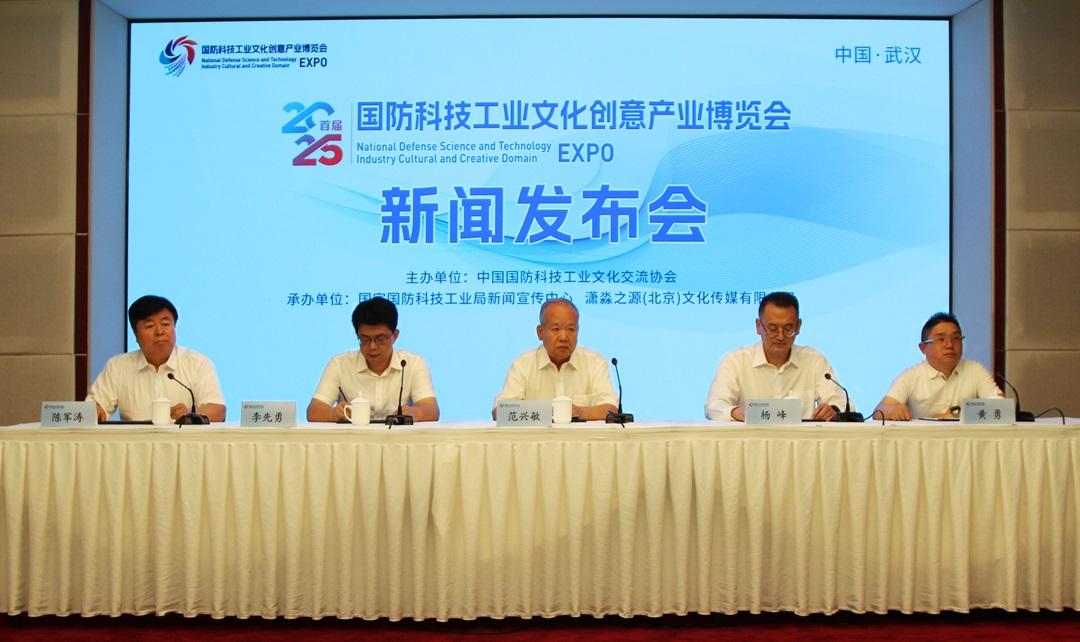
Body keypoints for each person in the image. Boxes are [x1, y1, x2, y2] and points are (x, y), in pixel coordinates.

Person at [705, 291, 847, 422]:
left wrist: (833, 411)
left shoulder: (814, 360)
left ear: (798, 326)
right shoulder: (736, 361)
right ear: (758, 326)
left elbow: (843, 404)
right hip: (752, 439)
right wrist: (736, 412)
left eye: (788, 328)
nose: (780, 336)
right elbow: (714, 406)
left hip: (801, 440)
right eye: (772, 329)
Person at [87, 295, 226, 422]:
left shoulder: (197, 363)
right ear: (136, 335)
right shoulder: (118, 366)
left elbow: (218, 410)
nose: (159, 332)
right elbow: (92, 409)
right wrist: (96, 412)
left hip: (182, 440)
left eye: (166, 324)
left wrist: (191, 415)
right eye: (150, 326)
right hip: (135, 441)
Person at [307, 296, 439, 423]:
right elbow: (313, 411)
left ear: (395, 335)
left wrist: (415, 413)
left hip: (400, 438)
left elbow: (432, 410)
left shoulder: (413, 364)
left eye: (380, 339)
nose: (372, 346)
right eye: (365, 339)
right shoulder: (340, 364)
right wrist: (333, 414)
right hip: (353, 438)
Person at [493, 298, 618, 421]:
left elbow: (611, 409)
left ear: (578, 331)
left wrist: (579, 412)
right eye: (556, 329)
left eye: (571, 329)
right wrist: (549, 411)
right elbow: (500, 412)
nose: (563, 337)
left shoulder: (595, 363)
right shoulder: (523, 365)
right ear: (540, 332)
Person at [873, 312, 1003, 420]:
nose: (950, 345)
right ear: (923, 348)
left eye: (956, 338)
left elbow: (1000, 407)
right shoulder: (911, 376)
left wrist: (955, 415)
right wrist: (893, 410)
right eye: (941, 339)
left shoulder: (975, 370)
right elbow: (880, 411)